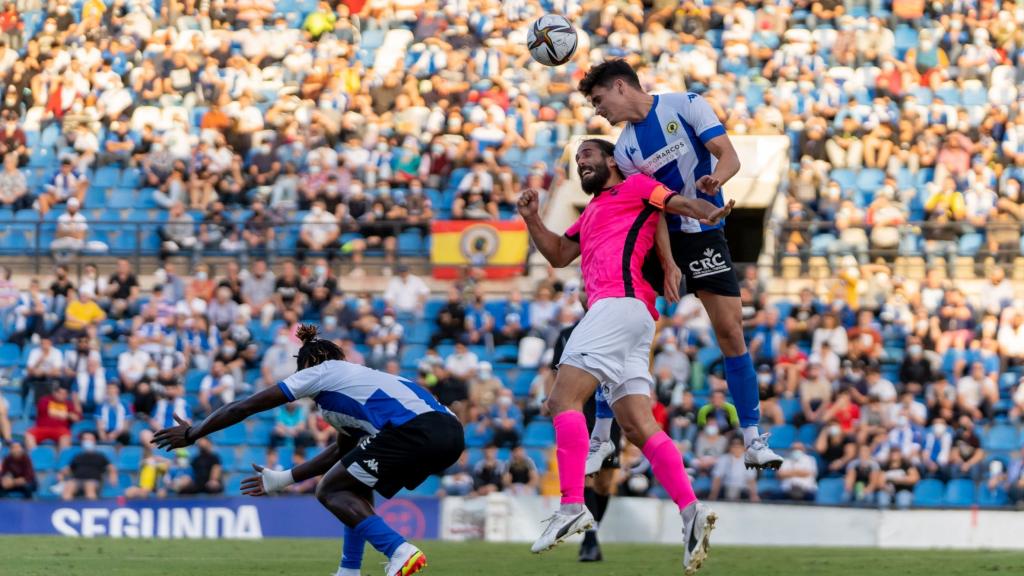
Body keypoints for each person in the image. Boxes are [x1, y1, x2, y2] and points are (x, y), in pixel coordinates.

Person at [517, 138, 729, 572]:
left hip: (616, 305)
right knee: (637, 425)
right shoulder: (592, 211)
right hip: (634, 316)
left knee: (561, 400)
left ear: (612, 159)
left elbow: (672, 203)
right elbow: (559, 254)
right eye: (578, 160)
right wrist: (532, 218)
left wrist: (706, 211)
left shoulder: (635, 187)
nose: (582, 163)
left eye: (589, 155)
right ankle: (691, 512)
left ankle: (572, 504)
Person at [579, 60, 782, 471]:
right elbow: (650, 206)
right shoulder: (625, 150)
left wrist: (715, 180)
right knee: (623, 329)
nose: (599, 111)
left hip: (705, 233)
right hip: (661, 238)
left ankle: (753, 440)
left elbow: (728, 155)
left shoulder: (686, 104)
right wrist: (669, 263)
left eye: (600, 101)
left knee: (730, 331)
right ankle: (601, 439)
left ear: (620, 87)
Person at [154, 324, 463, 576]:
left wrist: (194, 432)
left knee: (329, 490)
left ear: (307, 365)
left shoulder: (322, 372)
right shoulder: (358, 382)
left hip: (416, 431)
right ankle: (349, 571)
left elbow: (244, 406)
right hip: (450, 434)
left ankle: (399, 550)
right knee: (351, 483)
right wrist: (283, 479)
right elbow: (342, 455)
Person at [59, 432, 117, 501]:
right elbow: (69, 468)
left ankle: (92, 508)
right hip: (77, 480)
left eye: (90, 439)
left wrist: (113, 476)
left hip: (94, 480)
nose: (87, 441)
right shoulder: (78, 456)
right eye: (85, 439)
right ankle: (67, 508)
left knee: (89, 486)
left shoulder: (100, 456)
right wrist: (61, 474)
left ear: (94, 441)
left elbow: (110, 467)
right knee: (69, 486)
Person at [25, 386, 78, 451]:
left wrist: (68, 414)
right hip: (42, 428)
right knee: (29, 435)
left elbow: (76, 417)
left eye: (65, 394)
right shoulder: (45, 400)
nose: (63, 396)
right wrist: (67, 415)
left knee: (66, 437)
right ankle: (35, 456)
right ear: (55, 393)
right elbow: (47, 410)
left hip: (61, 430)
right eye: (60, 393)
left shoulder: (69, 404)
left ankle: (62, 459)